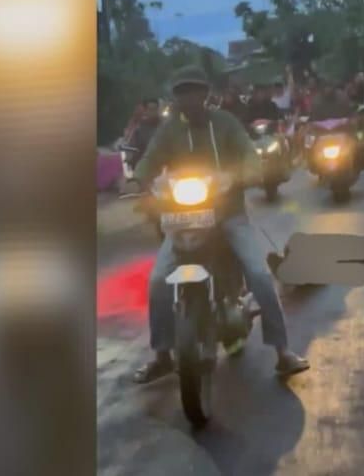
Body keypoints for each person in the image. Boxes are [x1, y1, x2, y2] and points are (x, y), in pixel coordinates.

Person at [131, 65, 310, 382]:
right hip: (183, 218)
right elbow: (150, 159)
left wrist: (240, 176)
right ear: (176, 97)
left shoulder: (226, 123)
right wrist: (139, 178)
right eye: (182, 92)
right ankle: (161, 355)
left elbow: (249, 154)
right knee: (158, 280)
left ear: (205, 94)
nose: (189, 98)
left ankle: (282, 351)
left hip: (228, 213)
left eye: (194, 91)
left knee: (259, 274)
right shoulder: (169, 131)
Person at [126, 98, 162, 167]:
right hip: (144, 164)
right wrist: (130, 157)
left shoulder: (165, 126)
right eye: (150, 109)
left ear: (158, 110)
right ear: (146, 111)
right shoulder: (140, 128)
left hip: (163, 163)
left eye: (155, 109)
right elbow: (131, 146)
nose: (153, 112)